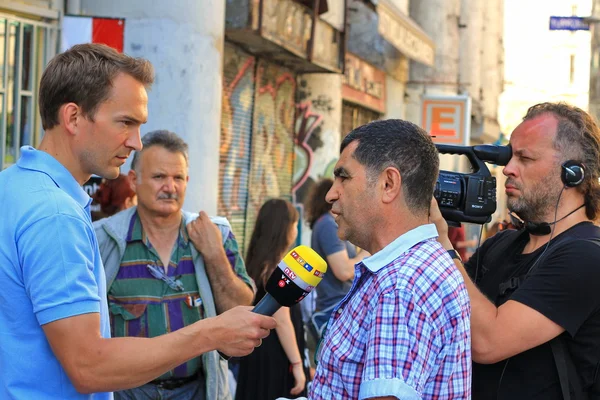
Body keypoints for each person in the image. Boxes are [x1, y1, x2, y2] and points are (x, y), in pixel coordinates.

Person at [0, 43, 276, 400]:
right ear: (72, 117)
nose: (135, 142)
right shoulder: (55, 214)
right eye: (125, 123)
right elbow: (89, 366)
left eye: (139, 126)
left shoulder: (13, 185)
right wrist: (210, 333)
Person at [430, 102, 600, 399]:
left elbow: (487, 342)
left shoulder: (587, 256)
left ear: (572, 174)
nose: (507, 169)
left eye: (525, 158)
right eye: (510, 156)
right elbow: (441, 314)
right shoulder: (502, 244)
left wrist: (443, 242)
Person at [310, 119, 471, 399]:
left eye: (343, 177)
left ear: (388, 184)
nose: (331, 194)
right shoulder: (411, 269)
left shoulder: (400, 286)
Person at [94, 130, 258, 399]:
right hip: (127, 392)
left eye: (178, 178)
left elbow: (241, 311)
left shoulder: (215, 234)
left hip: (195, 390)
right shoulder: (104, 240)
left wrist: (214, 254)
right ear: (134, 181)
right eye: (159, 177)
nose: (170, 187)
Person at [235, 199, 309, 400]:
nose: (295, 230)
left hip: (258, 353)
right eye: (294, 224)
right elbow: (283, 321)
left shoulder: (255, 262)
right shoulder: (278, 269)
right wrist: (297, 364)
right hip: (275, 355)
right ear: (284, 228)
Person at [304, 179, 368, 347]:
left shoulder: (325, 223)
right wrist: (369, 252)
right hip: (335, 308)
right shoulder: (327, 225)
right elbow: (344, 271)